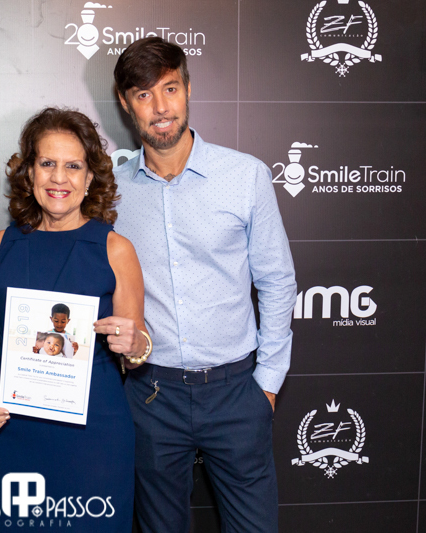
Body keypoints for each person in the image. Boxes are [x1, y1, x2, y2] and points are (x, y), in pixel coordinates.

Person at [111, 38, 297, 533]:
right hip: (151, 395)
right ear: (126, 103)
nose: (160, 107)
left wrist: (267, 384)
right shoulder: (111, 191)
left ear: (188, 89)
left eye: (170, 88)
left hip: (237, 393)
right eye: (144, 94)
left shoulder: (245, 175)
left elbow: (277, 280)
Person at [0, 107, 150, 532]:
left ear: (90, 178)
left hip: (93, 439)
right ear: (30, 172)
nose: (59, 178)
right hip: (9, 434)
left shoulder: (115, 250)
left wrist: (137, 345)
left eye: (73, 166)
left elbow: (136, 349)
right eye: (47, 163)